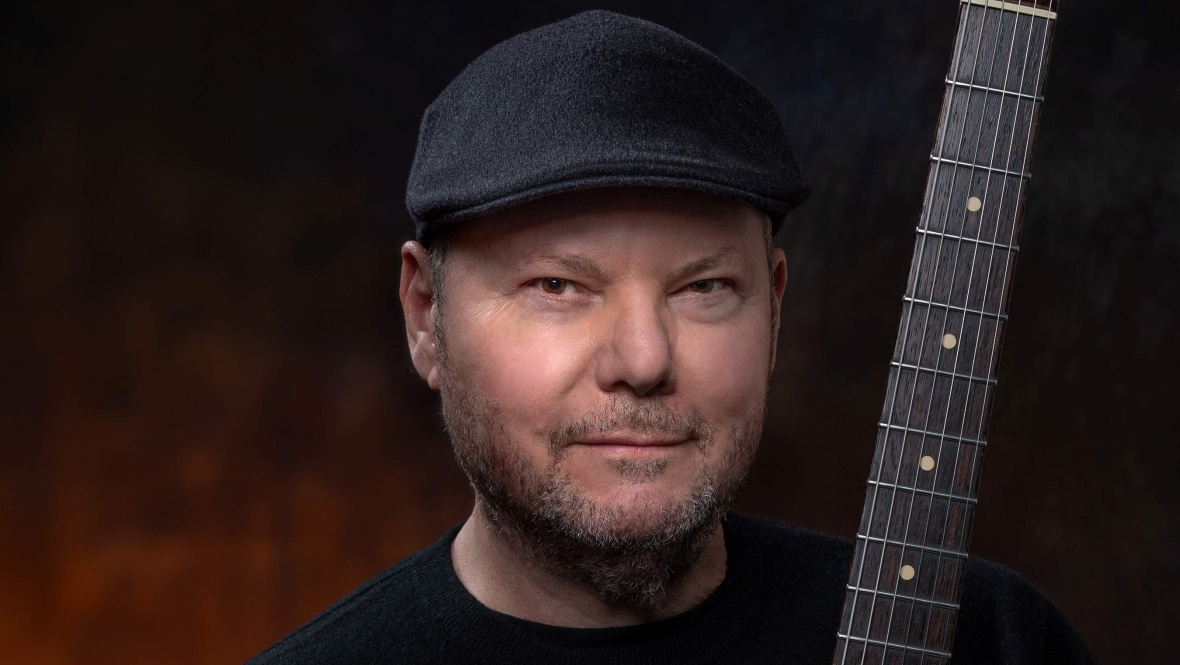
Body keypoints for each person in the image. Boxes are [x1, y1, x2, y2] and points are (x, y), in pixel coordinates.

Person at [248, 10, 1094, 664]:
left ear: (773, 310)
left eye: (703, 287)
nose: (644, 360)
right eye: (558, 287)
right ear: (425, 316)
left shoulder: (997, 639)